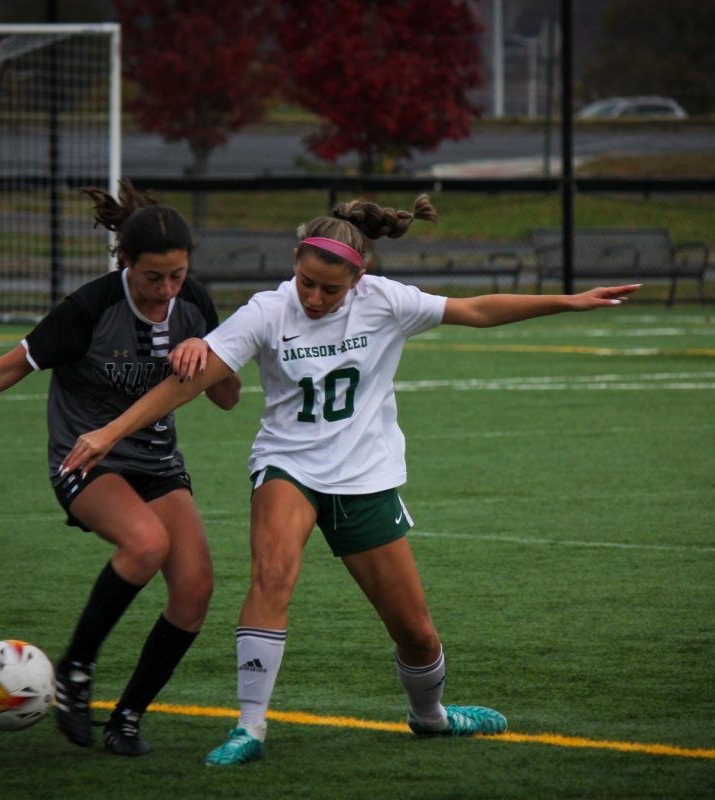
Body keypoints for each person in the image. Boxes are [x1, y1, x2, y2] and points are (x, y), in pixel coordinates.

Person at [59, 195, 641, 766]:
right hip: (287, 465)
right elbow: (191, 382)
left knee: (416, 634)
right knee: (272, 575)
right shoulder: (268, 310)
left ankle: (431, 717)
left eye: (329, 289)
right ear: (295, 261)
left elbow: (478, 309)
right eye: (305, 281)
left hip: (365, 475)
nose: (313, 296)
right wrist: (109, 433)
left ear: (358, 280)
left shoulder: (387, 302)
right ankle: (249, 727)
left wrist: (570, 301)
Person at [0, 180, 241, 756]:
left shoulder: (192, 302)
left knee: (195, 589)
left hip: (158, 462)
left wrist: (206, 355)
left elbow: (228, 398)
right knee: (146, 544)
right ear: (125, 261)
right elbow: (7, 368)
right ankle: (74, 671)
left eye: (177, 276)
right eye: (153, 278)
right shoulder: (89, 308)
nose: (167, 289)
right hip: (85, 460)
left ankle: (126, 719)